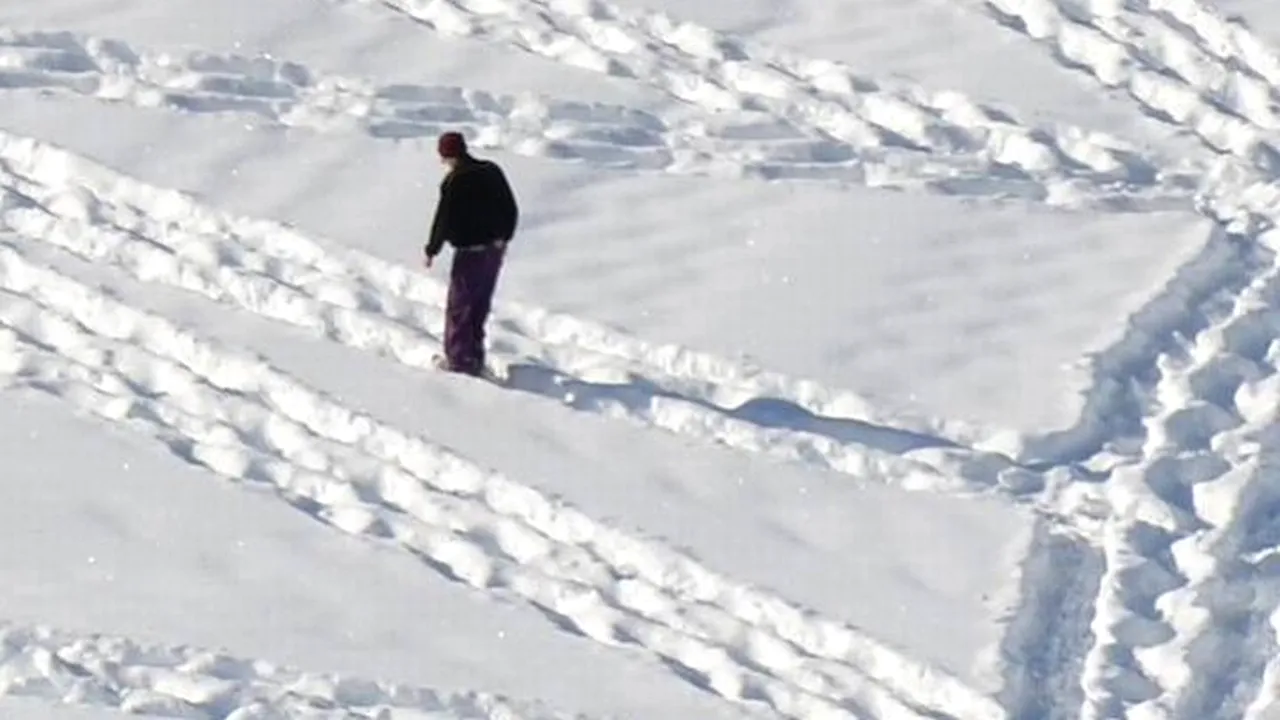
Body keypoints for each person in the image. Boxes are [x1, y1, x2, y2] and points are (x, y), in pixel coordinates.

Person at [424, 131, 519, 377]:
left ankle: (458, 363)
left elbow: (442, 220)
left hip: (470, 253)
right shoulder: (491, 170)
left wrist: (432, 249)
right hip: (494, 251)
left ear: (447, 156)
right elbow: (511, 208)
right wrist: (504, 238)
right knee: (479, 306)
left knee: (460, 308)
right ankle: (474, 356)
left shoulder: (455, 181)